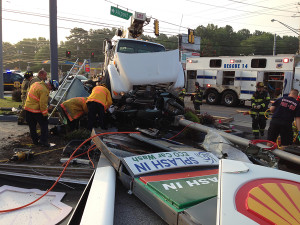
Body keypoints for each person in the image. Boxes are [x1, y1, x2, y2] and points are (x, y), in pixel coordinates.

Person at [24, 80, 59, 147]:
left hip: (28, 109)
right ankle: (43, 141)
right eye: (52, 89)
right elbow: (42, 104)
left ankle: (35, 141)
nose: (51, 90)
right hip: (36, 110)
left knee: (32, 127)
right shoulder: (44, 90)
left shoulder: (36, 83)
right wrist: (45, 114)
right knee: (44, 125)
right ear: (50, 85)